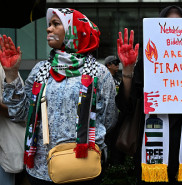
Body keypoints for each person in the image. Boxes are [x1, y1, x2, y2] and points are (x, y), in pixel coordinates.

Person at [0, 8, 118, 185]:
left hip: (83, 167)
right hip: (42, 169)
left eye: (56, 24)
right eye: (49, 25)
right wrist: (11, 74)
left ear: (75, 30)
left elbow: (108, 119)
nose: (49, 29)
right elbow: (20, 114)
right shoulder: (41, 70)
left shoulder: (99, 73)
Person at [115, 5, 182, 185]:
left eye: (180, 26)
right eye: (168, 26)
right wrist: (128, 70)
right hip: (152, 156)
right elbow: (127, 106)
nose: (174, 33)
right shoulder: (148, 62)